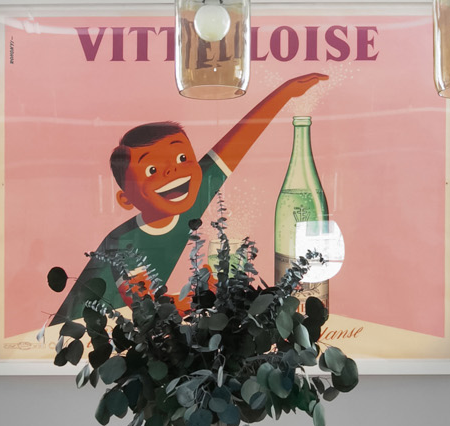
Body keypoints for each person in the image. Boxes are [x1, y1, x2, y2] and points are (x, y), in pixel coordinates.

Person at [52, 72, 327, 324]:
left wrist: (284, 93)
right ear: (126, 200)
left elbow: (238, 141)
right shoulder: (123, 243)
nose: (174, 170)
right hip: (80, 336)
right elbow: (148, 306)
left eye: (183, 158)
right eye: (152, 170)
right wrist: (201, 294)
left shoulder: (187, 197)